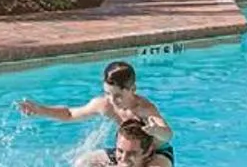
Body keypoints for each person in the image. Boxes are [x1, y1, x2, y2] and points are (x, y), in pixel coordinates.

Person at [18, 60, 174, 160]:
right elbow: (70, 114)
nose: (112, 100)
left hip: (155, 153)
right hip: (127, 153)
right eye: (107, 93)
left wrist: (155, 131)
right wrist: (40, 110)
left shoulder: (144, 109)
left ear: (132, 89)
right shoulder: (104, 104)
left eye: (118, 95)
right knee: (83, 164)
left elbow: (167, 134)